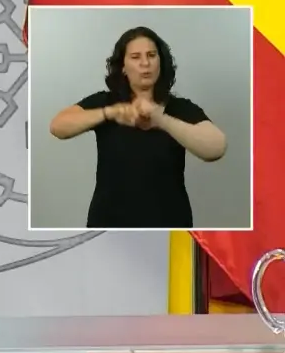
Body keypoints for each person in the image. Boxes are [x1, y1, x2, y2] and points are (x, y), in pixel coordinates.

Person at [48, 26, 227, 228]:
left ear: (161, 62)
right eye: (135, 57)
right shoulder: (106, 102)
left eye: (151, 55)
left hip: (169, 225)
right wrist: (110, 112)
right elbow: (58, 126)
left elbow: (216, 147)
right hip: (108, 224)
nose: (145, 63)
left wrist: (161, 120)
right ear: (123, 66)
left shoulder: (180, 108)